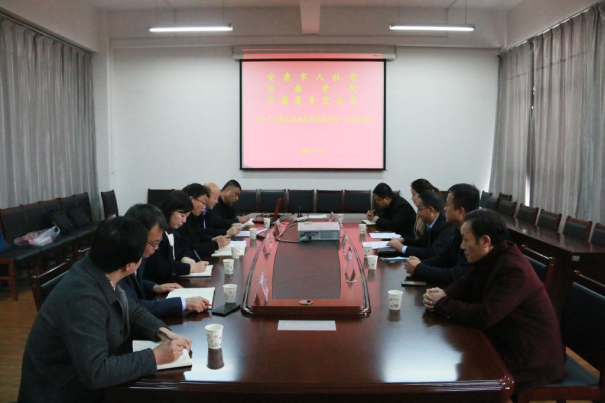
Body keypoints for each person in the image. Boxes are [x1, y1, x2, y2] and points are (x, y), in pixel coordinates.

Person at [18, 217, 192, 403]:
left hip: (81, 381)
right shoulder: (83, 298)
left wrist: (163, 332)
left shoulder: (99, 268)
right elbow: (96, 372)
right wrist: (154, 357)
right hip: (60, 392)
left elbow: (131, 310)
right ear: (130, 265)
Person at [423, 209, 565, 390]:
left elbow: (484, 316)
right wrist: (442, 294)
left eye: (465, 240)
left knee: (456, 375)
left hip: (530, 361)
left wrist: (442, 302)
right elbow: (464, 284)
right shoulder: (491, 257)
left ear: (485, 241)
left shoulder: (513, 269)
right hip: (505, 342)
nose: (462, 247)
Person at [119, 203, 210, 317]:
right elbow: (134, 308)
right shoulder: (118, 264)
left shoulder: (140, 254)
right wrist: (182, 303)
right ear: (137, 237)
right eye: (154, 243)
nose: (156, 248)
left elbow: (135, 282)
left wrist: (155, 287)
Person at [404, 183, 479, 284]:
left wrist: (419, 268)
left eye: (447, 205)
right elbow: (443, 258)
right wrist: (419, 263)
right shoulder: (458, 230)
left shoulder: (474, 235)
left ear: (460, 211)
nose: (444, 209)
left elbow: (456, 275)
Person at [144, 191, 209, 284]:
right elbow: (160, 266)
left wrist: (185, 258)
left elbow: (183, 247)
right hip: (156, 283)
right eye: (182, 215)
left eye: (186, 216)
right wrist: (190, 268)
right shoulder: (156, 232)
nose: (184, 220)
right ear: (170, 210)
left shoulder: (172, 228)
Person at [387, 190, 454, 259]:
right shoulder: (430, 221)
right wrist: (403, 240)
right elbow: (422, 242)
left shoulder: (446, 226)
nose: (418, 214)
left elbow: (433, 253)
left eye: (419, 209)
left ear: (431, 210)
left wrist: (402, 248)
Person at [180, 183, 238, 256]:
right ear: (191, 200)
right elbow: (187, 249)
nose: (204, 207)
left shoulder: (193, 216)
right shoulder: (181, 221)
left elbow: (200, 235)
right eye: (203, 202)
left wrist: (213, 239)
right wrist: (215, 244)